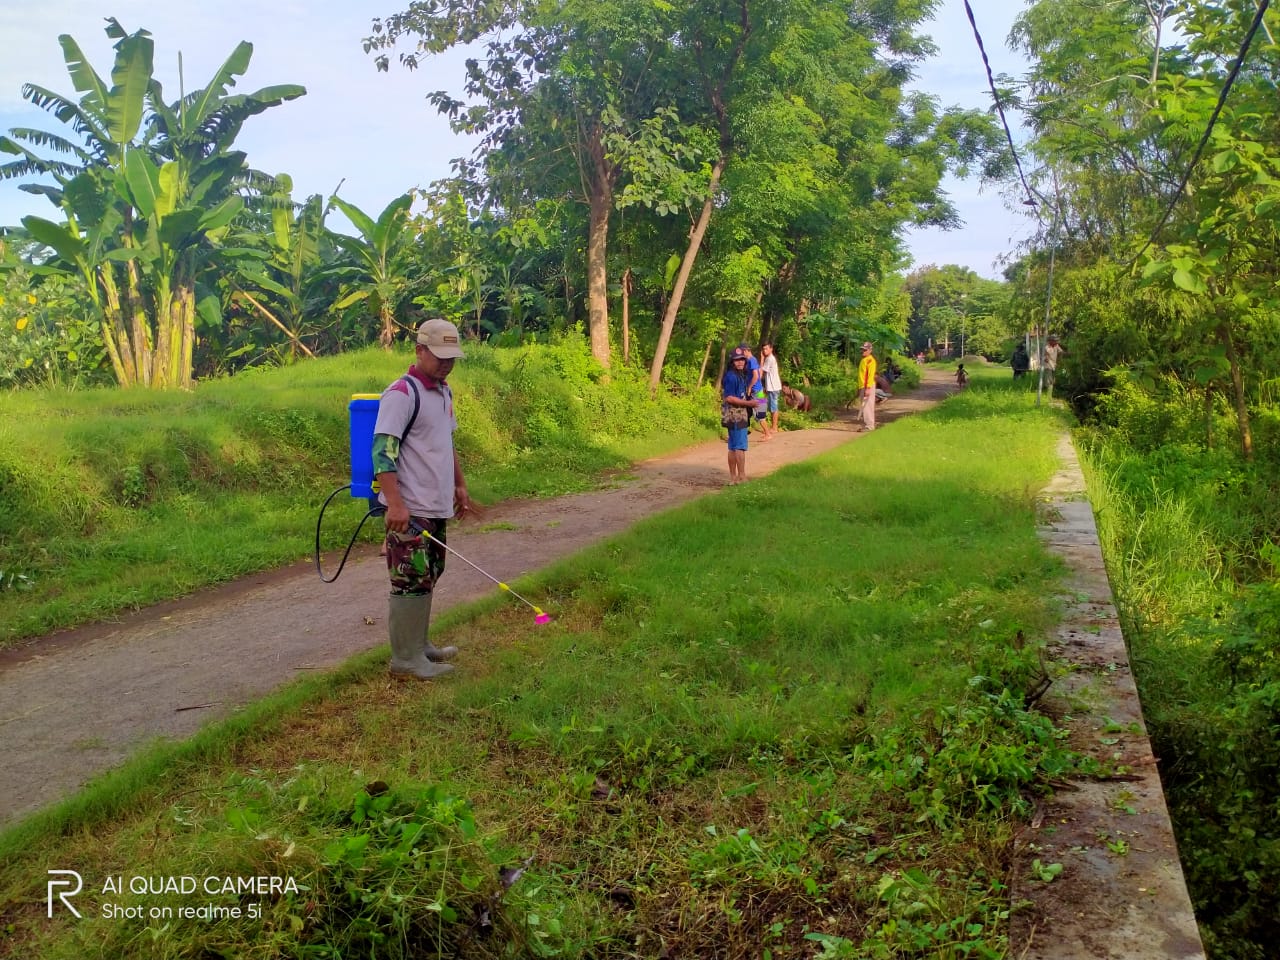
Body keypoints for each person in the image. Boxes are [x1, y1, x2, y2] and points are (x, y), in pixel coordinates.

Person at [372, 317, 471, 681]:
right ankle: (405, 659)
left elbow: (447, 442)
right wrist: (395, 503)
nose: (446, 363)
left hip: (436, 504)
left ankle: (419, 645)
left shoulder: (444, 392)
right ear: (419, 350)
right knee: (410, 578)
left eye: (451, 358)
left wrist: (459, 485)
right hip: (410, 510)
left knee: (430, 573)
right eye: (439, 356)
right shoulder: (401, 393)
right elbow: (382, 451)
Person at [722, 347, 756, 483]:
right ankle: (741, 477)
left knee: (733, 445)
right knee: (739, 446)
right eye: (737, 360)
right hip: (735, 412)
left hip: (736, 411)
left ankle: (733, 478)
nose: (740, 362)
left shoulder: (740, 375)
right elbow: (729, 398)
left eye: (742, 359)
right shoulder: (731, 376)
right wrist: (749, 404)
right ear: (732, 362)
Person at [739, 343, 772, 441]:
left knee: (760, 414)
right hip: (758, 390)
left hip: (756, 392)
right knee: (747, 411)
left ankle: (767, 434)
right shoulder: (751, 361)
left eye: (742, 352)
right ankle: (743, 433)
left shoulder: (752, 361)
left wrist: (749, 387)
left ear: (746, 351)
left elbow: (756, 376)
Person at [760, 342, 783, 433]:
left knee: (774, 407)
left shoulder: (770, 359)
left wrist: (761, 359)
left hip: (773, 387)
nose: (764, 351)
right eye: (763, 349)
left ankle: (774, 427)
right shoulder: (769, 358)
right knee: (771, 407)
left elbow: (762, 371)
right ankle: (773, 426)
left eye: (766, 349)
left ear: (771, 349)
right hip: (771, 387)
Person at [857, 341, 877, 431]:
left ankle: (870, 425)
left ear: (870, 350)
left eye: (865, 350)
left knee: (868, 406)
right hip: (863, 386)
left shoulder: (870, 360)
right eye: (862, 349)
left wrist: (868, 388)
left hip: (867, 386)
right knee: (864, 406)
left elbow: (870, 375)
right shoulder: (864, 360)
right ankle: (868, 424)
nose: (863, 351)